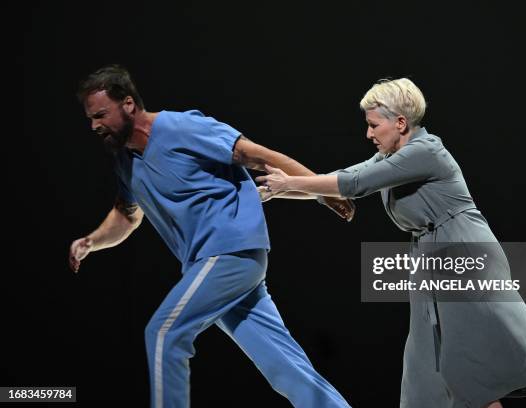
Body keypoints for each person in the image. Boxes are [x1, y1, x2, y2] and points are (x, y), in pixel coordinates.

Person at [257, 78, 526, 408]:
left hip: (461, 251)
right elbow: (342, 177)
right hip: (431, 258)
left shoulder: (425, 152)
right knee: (430, 371)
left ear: (400, 122)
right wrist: (277, 191)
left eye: (374, 125)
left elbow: (354, 183)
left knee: (471, 369)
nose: (369, 134)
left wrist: (289, 181)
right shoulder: (392, 155)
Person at [68, 64, 355, 408]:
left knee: (164, 333)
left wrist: (323, 190)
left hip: (229, 252)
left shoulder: (181, 127)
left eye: (101, 114)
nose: (94, 125)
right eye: (90, 118)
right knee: (285, 367)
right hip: (211, 265)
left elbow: (257, 156)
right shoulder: (126, 161)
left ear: (128, 104)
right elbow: (127, 216)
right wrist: (91, 241)